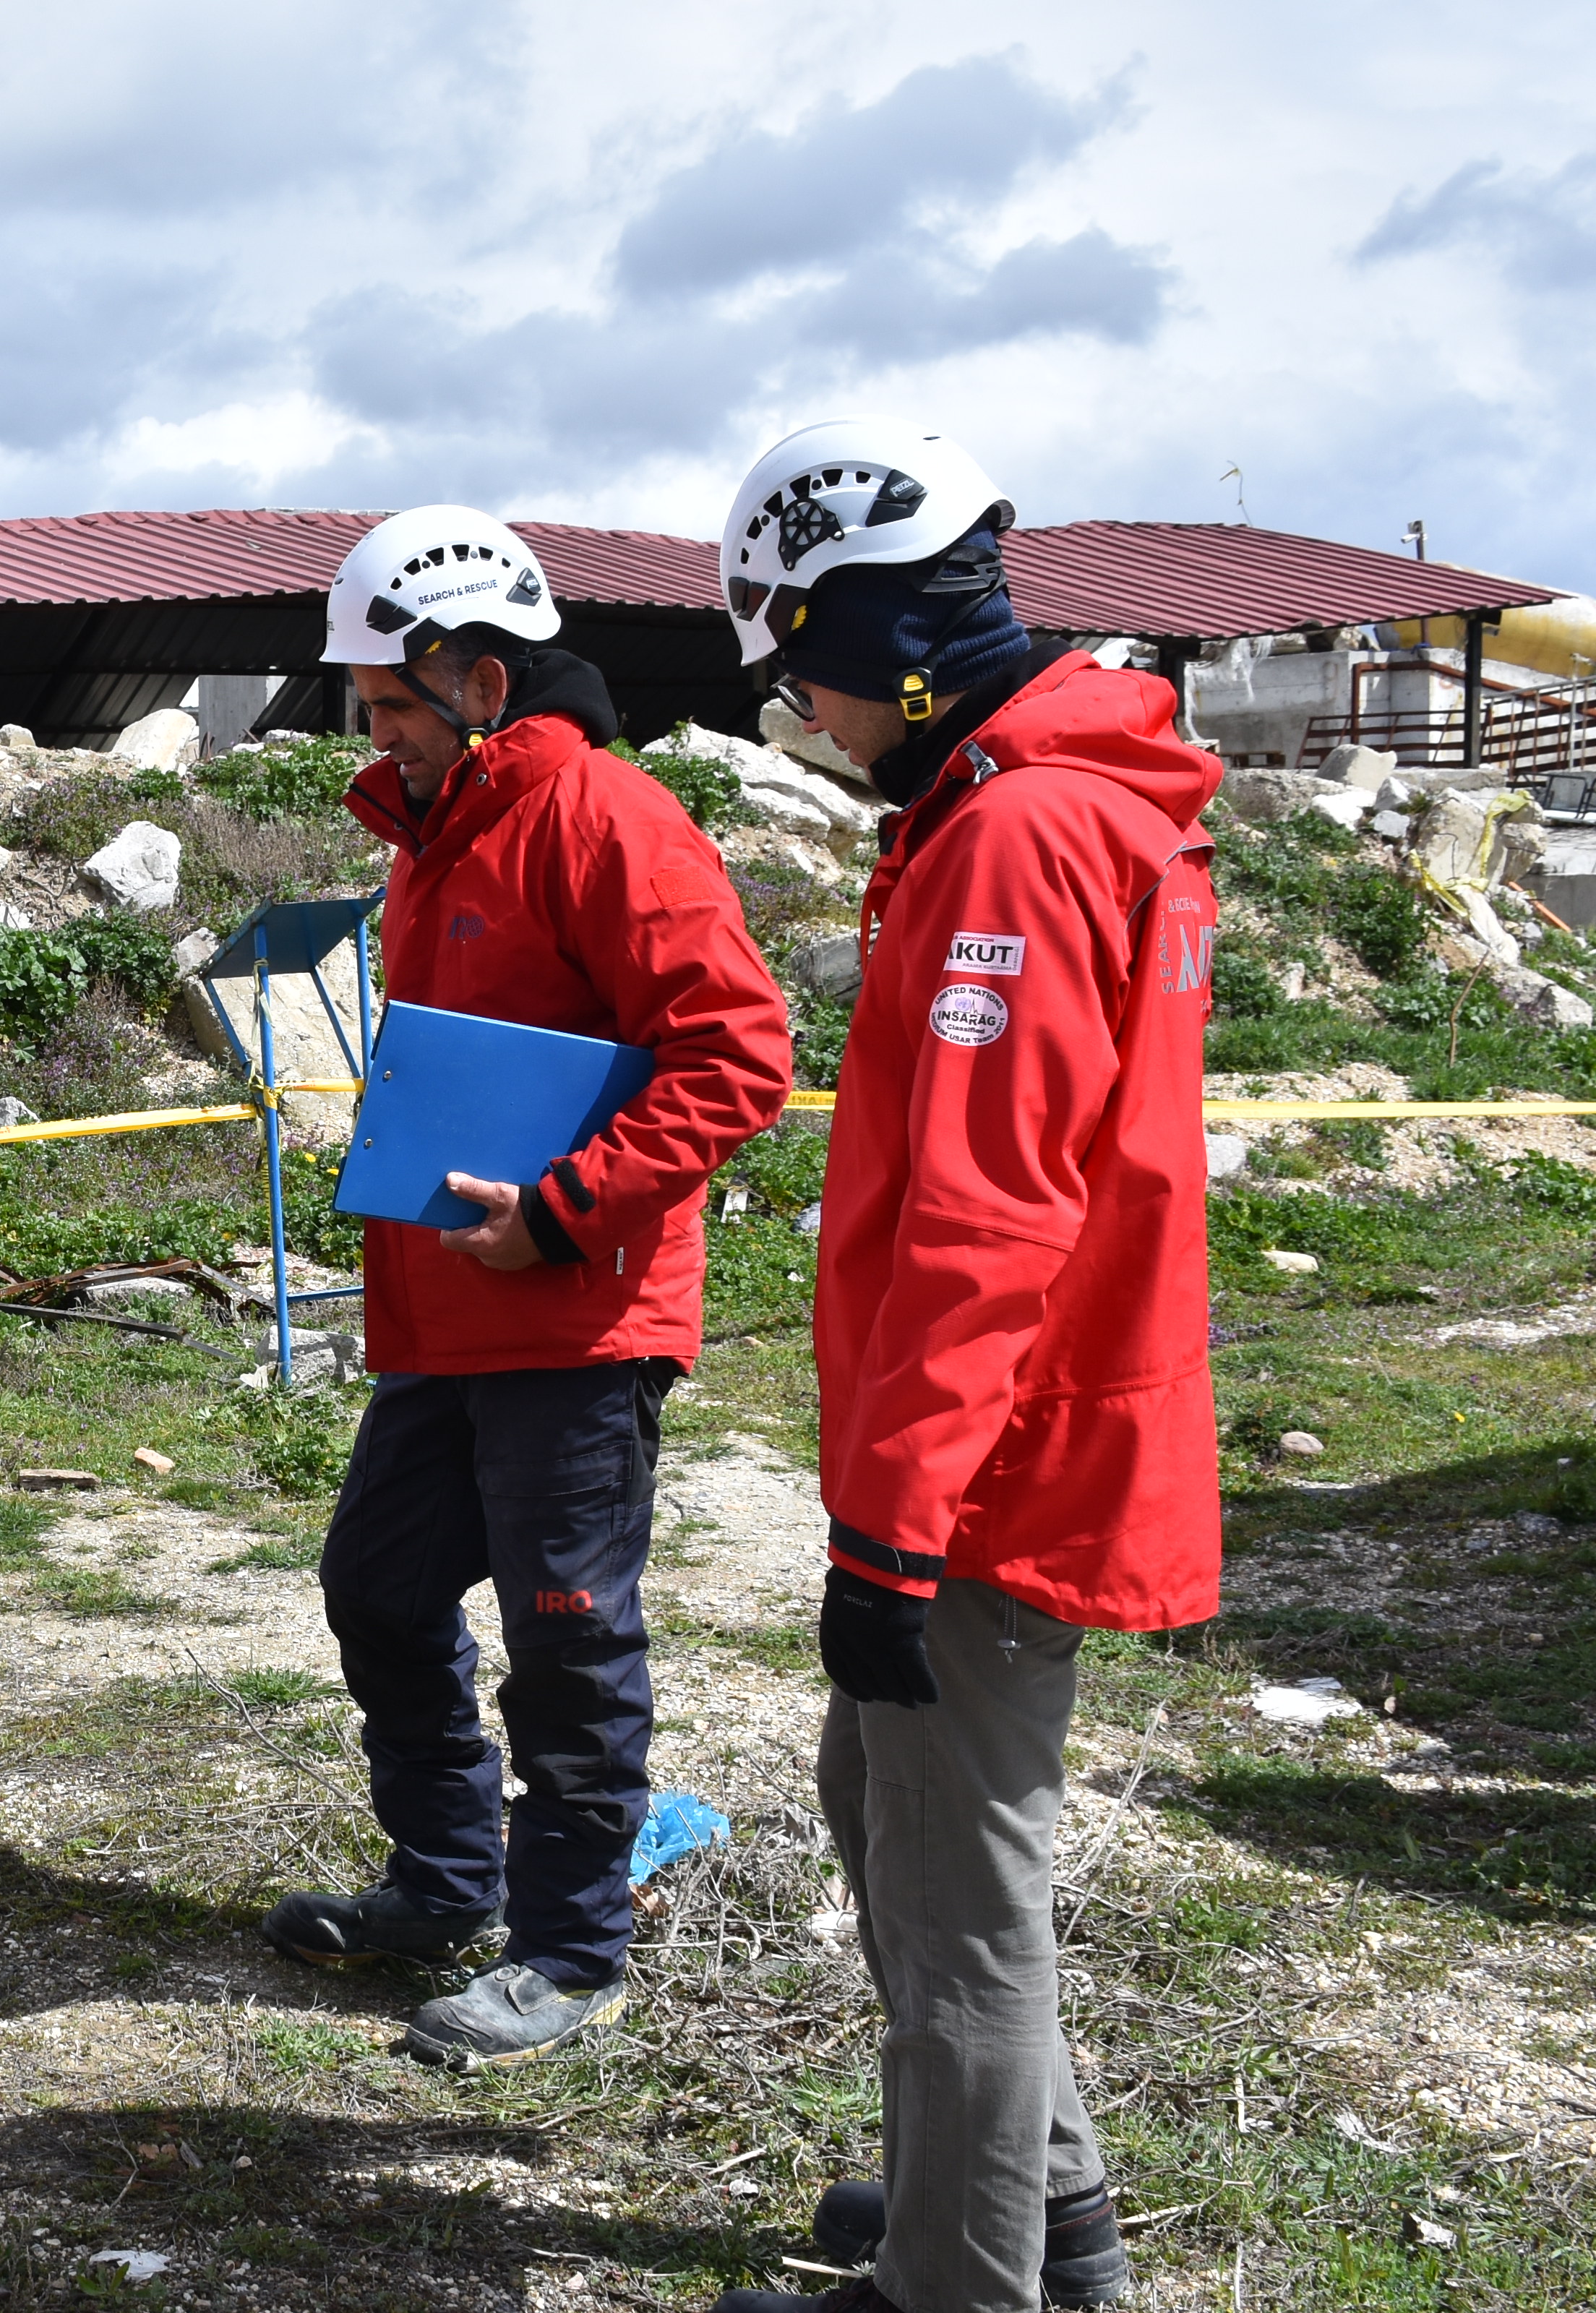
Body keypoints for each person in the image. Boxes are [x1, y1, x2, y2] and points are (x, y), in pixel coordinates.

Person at [704, 419, 1220, 2313]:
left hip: (996, 1470)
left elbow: (989, 1218)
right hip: (1039, 1430)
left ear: (880, 639)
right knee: (882, 1809)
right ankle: (1034, 2212)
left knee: (956, 1933)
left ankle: (964, 2283)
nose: (814, 725)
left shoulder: (1013, 832)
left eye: (808, 680)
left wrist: (893, 1535)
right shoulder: (1066, 799)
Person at [261, 506, 795, 2067]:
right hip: (449, 1312)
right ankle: (447, 1881)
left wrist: (565, 1212)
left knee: (567, 1633)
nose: (376, 735)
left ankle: (570, 1951)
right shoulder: (438, 830)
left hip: (576, 1311)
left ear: (481, 678)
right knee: (379, 1585)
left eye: (390, 707)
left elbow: (739, 1051)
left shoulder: (607, 817)